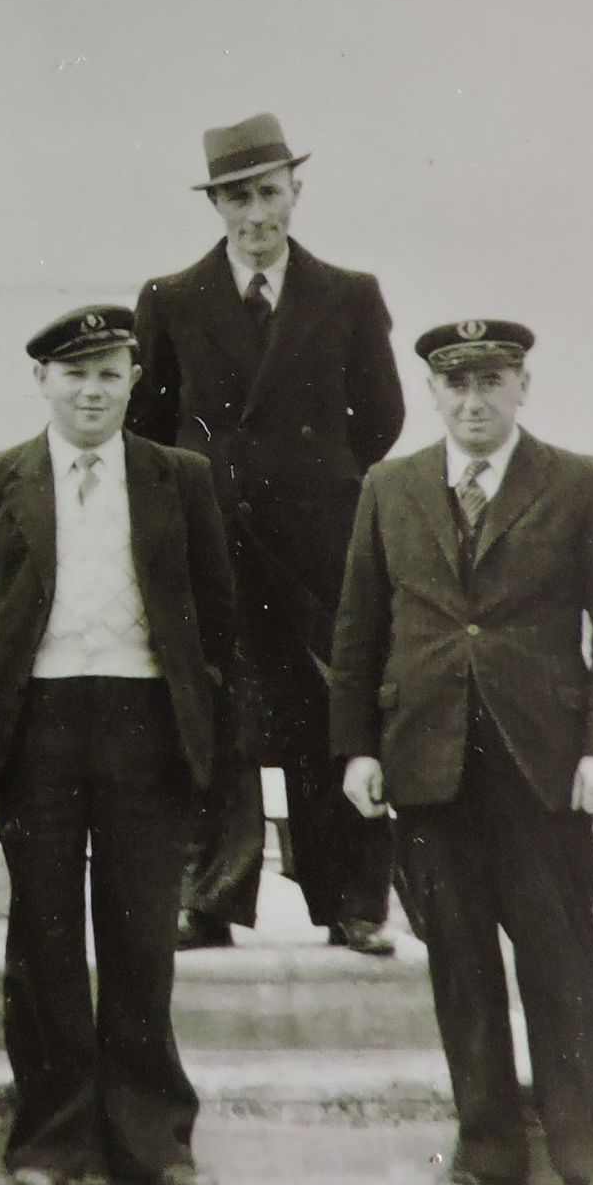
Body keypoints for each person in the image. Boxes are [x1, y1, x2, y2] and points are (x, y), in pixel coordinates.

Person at [330, 321, 593, 1185]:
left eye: (493, 382)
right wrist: (357, 746)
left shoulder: (582, 482)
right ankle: (487, 1151)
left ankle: (589, 1155)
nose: (474, 401)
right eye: (456, 384)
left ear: (523, 386)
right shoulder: (390, 485)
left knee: (561, 959)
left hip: (541, 766)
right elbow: (359, 627)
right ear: (432, 392)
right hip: (426, 765)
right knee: (459, 964)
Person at [0, 305, 242, 1185]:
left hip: (147, 719)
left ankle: (154, 1143)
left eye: (110, 370)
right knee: (46, 932)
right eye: (75, 372)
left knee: (143, 932)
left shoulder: (178, 475)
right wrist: (27, 670)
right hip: (39, 725)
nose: (93, 389)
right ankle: (51, 1142)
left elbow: (215, 609)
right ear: (42, 381)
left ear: (135, 377)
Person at [129, 110, 404, 955]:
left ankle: (351, 903)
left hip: (321, 550)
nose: (257, 214)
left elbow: (382, 416)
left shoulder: (348, 293)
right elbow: (150, 421)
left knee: (334, 709)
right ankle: (207, 898)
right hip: (214, 546)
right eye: (238, 197)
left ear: (296, 190)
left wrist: (316, 486)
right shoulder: (172, 300)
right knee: (215, 713)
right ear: (216, 204)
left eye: (270, 192)